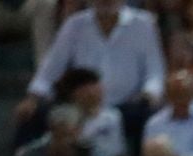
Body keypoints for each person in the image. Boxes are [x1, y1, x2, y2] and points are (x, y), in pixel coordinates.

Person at [23, 0, 165, 141]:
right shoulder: (74, 25)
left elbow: (155, 71)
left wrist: (148, 95)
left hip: (127, 107)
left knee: (150, 117)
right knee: (33, 114)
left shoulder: (143, 24)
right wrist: (34, 97)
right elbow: (51, 69)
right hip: (80, 108)